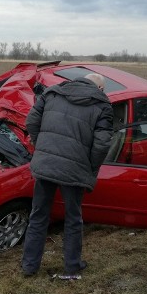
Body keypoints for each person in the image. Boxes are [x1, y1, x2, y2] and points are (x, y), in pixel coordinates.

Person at [21, 73, 113, 279]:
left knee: (38, 216)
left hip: (46, 165)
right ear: (100, 89)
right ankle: (72, 265)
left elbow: (31, 121)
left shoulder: (52, 93)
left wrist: (41, 146)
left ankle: (29, 266)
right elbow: (102, 144)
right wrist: (90, 166)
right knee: (73, 218)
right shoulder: (102, 105)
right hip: (75, 170)